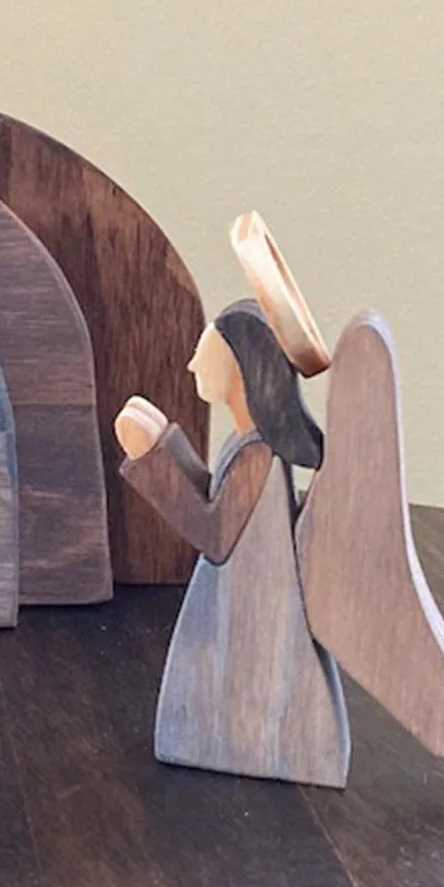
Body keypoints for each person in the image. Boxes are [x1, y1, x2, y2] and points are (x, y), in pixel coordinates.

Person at [116, 301, 349, 787]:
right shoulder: (250, 446)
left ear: (241, 368)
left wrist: (150, 458)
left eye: (205, 354)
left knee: (242, 685)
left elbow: (216, 536)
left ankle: (257, 745)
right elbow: (211, 494)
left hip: (249, 610)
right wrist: (165, 445)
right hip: (240, 600)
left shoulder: (257, 456)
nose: (192, 365)